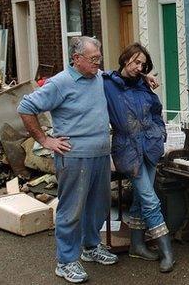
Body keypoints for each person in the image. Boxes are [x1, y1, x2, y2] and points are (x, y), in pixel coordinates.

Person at [17, 36, 118, 284]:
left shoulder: (97, 78)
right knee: (71, 210)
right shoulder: (60, 83)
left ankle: (90, 247)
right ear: (76, 59)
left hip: (100, 154)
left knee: (99, 206)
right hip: (74, 157)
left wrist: (144, 77)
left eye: (99, 57)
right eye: (94, 58)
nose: (99, 62)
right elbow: (26, 107)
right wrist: (45, 140)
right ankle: (66, 261)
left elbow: (119, 76)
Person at [102, 42, 175, 273]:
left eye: (143, 64)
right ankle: (167, 252)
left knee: (140, 199)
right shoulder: (107, 84)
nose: (139, 66)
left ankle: (137, 245)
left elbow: (156, 112)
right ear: (125, 60)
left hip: (150, 147)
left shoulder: (144, 86)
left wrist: (160, 133)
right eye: (135, 61)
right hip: (128, 150)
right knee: (150, 199)